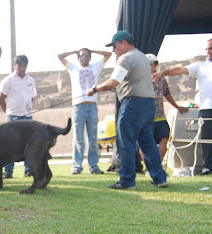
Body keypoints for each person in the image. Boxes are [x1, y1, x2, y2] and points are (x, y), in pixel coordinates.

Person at [85, 30, 167, 190]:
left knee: (125, 141)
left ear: (124, 42)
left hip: (133, 103)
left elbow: (113, 82)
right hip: (149, 103)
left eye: (115, 46)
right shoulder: (143, 57)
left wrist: (94, 89)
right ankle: (159, 178)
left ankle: (127, 180)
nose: (113, 50)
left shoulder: (126, 58)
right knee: (148, 142)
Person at [153, 39, 212, 175]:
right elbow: (180, 70)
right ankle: (208, 167)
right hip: (207, 108)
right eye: (207, 49)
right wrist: (163, 73)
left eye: (211, 48)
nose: (208, 51)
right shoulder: (200, 66)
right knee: (207, 139)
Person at [58, 48, 112, 175]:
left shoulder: (96, 67)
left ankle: (93, 166)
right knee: (78, 138)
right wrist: (75, 51)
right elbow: (60, 56)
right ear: (78, 58)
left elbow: (108, 54)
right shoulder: (73, 68)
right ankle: (77, 166)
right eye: (82, 56)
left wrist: (91, 50)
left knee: (93, 138)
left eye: (87, 55)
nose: (84, 58)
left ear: (90, 57)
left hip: (92, 106)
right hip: (78, 106)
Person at [0, 55, 37, 179]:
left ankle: (28, 169)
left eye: (24, 66)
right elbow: (1, 100)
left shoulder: (30, 80)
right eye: (19, 65)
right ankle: (8, 171)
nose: (22, 68)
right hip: (13, 118)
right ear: (15, 66)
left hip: (27, 118)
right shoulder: (8, 80)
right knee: (10, 146)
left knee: (28, 144)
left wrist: (27, 110)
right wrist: (8, 112)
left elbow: (32, 98)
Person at [146, 53, 189, 161]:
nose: (152, 66)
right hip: (145, 116)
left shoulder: (161, 79)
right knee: (145, 141)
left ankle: (157, 165)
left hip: (160, 115)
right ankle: (149, 167)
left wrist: (177, 106)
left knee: (165, 137)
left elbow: (167, 94)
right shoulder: (139, 79)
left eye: (155, 63)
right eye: (150, 63)